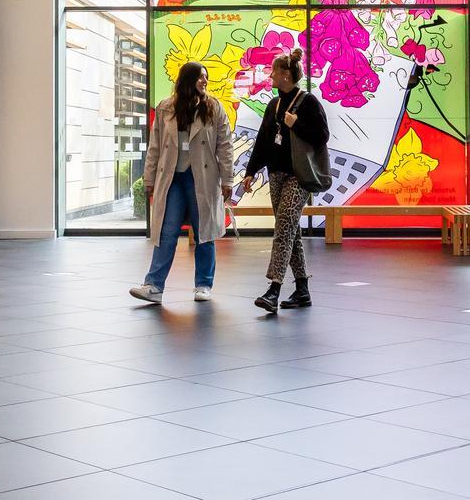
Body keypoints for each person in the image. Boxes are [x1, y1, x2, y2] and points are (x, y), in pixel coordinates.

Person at [130, 61, 234, 304]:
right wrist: (149, 178)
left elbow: (225, 146)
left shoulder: (214, 108)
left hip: (203, 177)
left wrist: (228, 179)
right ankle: (153, 285)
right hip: (173, 177)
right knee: (166, 231)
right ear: (187, 80)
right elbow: (154, 146)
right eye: (200, 78)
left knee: (204, 232)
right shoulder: (166, 108)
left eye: (206, 78)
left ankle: (203, 284)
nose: (204, 82)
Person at [243, 48, 329, 313]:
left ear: (286, 74)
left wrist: (296, 124)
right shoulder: (274, 105)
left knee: (283, 229)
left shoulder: (308, 102)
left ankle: (274, 289)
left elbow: (322, 136)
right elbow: (263, 140)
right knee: (290, 231)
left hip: (299, 177)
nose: (270, 74)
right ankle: (302, 289)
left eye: (274, 70)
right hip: (276, 175)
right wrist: (251, 170)